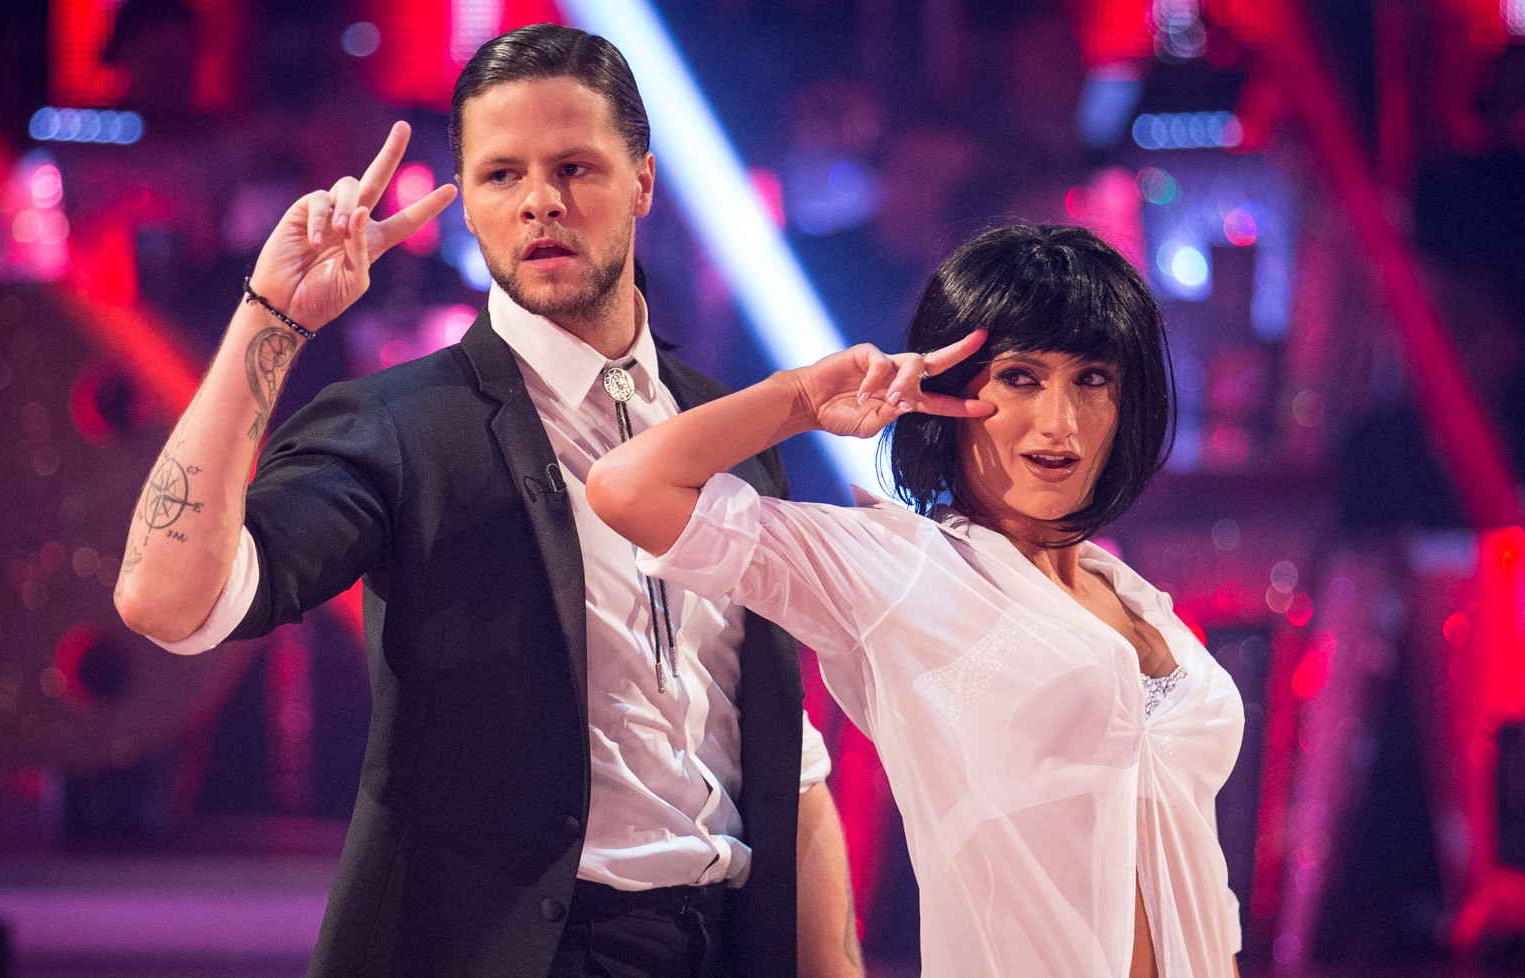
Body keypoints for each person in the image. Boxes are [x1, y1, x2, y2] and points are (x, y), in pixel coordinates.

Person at [113, 23, 860, 978]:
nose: (541, 201)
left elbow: (783, 759)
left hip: (719, 944)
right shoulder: (403, 426)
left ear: (643, 182)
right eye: (503, 175)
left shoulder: (730, 432)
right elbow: (164, 602)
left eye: (576, 167)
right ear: (466, 202)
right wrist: (273, 319)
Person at [589, 224, 1245, 978]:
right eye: (1021, 378)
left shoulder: (1138, 600)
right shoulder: (900, 571)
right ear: (952, 394)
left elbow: (1200, 887)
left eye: (1091, 378)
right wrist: (801, 396)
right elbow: (627, 487)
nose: (1059, 421)